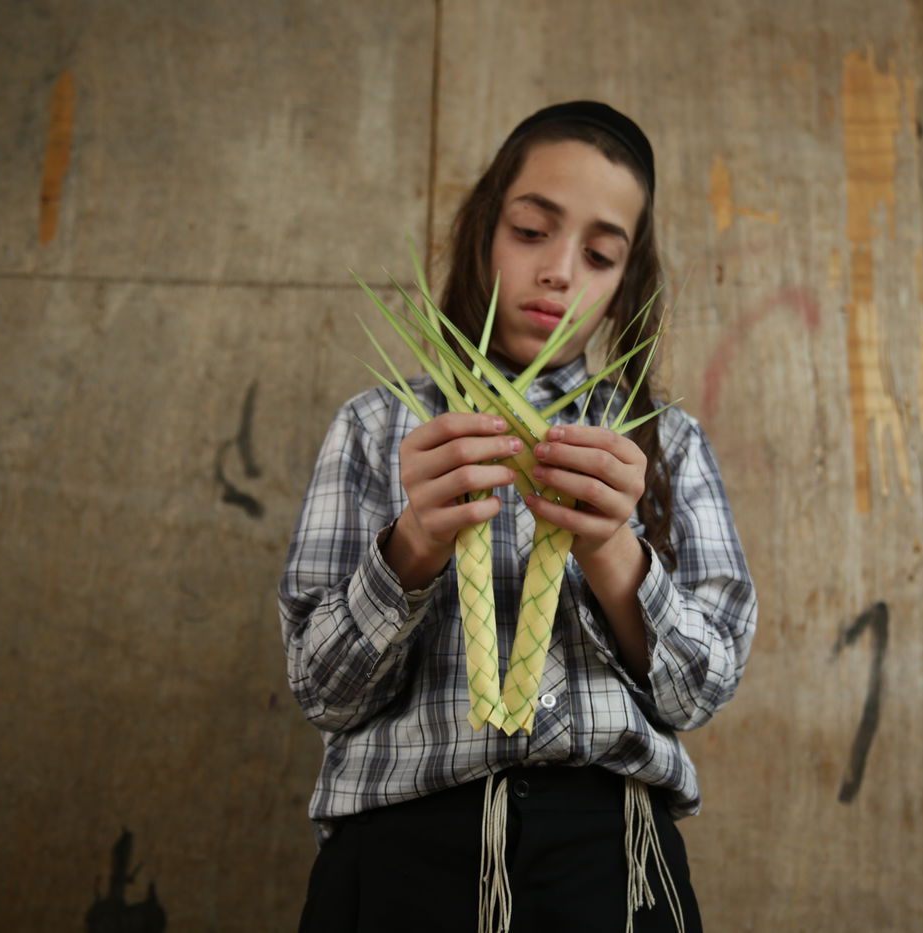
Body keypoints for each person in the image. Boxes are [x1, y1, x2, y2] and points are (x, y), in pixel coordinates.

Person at [279, 100, 757, 933]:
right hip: (398, 851)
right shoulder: (377, 423)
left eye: (600, 254)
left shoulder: (664, 441)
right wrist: (414, 543)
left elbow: (700, 689)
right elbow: (322, 690)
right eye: (532, 231)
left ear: (627, 280)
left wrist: (611, 547)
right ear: (483, 231)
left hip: (614, 856)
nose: (560, 272)